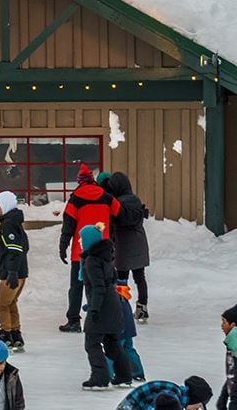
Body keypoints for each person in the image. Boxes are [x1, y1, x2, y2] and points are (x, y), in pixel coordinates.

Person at [58, 163, 120, 333]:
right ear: (92, 181)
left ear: (80, 182)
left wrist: (63, 246)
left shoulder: (75, 199)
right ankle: (100, 318)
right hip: (104, 251)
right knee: (101, 285)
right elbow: (118, 214)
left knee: (76, 286)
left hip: (81, 252)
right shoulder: (106, 197)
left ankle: (74, 320)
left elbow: (68, 226)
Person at [79, 224, 132, 390]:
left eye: (82, 238)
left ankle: (100, 378)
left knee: (92, 343)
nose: (79, 241)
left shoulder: (91, 261)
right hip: (113, 304)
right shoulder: (106, 256)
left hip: (102, 306)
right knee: (112, 343)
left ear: (88, 241)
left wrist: (94, 309)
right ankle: (124, 375)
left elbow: (98, 287)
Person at [103, 172, 151, 323]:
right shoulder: (136, 200)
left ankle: (122, 306)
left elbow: (113, 223)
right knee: (140, 277)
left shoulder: (117, 203)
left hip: (123, 244)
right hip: (139, 242)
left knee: (121, 278)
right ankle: (142, 306)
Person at [0, 191, 28, 352]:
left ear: (5, 205)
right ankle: (16, 334)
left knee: (0, 304)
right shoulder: (16, 222)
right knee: (10, 303)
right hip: (20, 272)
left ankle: (6, 335)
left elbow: (15, 249)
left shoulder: (8, 225)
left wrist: (12, 271)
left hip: (12, 273)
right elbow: (25, 247)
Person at [108, 279, 146, 382]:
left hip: (119, 328)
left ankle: (108, 373)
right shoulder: (123, 296)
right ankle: (138, 372)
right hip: (128, 328)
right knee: (128, 348)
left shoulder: (115, 296)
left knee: (112, 349)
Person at [117, 376, 213, 410]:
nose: (197, 409)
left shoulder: (178, 394)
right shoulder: (170, 397)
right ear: (194, 399)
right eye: (197, 406)